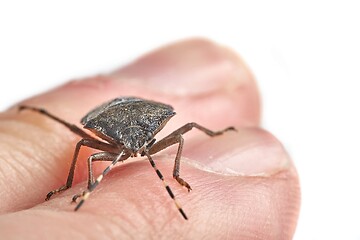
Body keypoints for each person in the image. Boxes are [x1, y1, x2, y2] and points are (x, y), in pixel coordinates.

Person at [0, 39, 300, 239]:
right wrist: (82, 186)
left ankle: (179, 174)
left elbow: (185, 128)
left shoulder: (152, 136)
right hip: (109, 121)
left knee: (188, 128)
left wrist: (174, 174)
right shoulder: (112, 145)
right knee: (88, 151)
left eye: (139, 145)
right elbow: (88, 152)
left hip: (139, 115)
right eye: (133, 146)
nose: (136, 150)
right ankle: (68, 184)